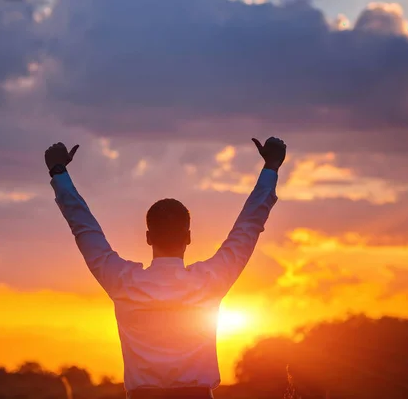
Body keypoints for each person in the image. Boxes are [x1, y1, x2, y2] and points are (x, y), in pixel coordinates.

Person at [46, 137, 286, 399]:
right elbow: (248, 226)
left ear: (148, 237)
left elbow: (84, 228)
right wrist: (270, 168)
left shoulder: (122, 281)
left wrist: (59, 173)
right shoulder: (210, 280)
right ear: (189, 237)